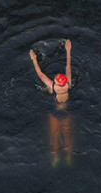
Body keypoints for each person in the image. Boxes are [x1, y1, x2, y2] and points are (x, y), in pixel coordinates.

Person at [29, 39, 73, 167]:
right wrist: (68, 50)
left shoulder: (52, 85)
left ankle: (55, 158)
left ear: (57, 82)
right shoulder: (69, 84)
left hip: (54, 111)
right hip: (66, 110)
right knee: (67, 135)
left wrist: (34, 59)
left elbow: (40, 73)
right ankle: (69, 157)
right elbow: (68, 67)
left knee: (54, 135)